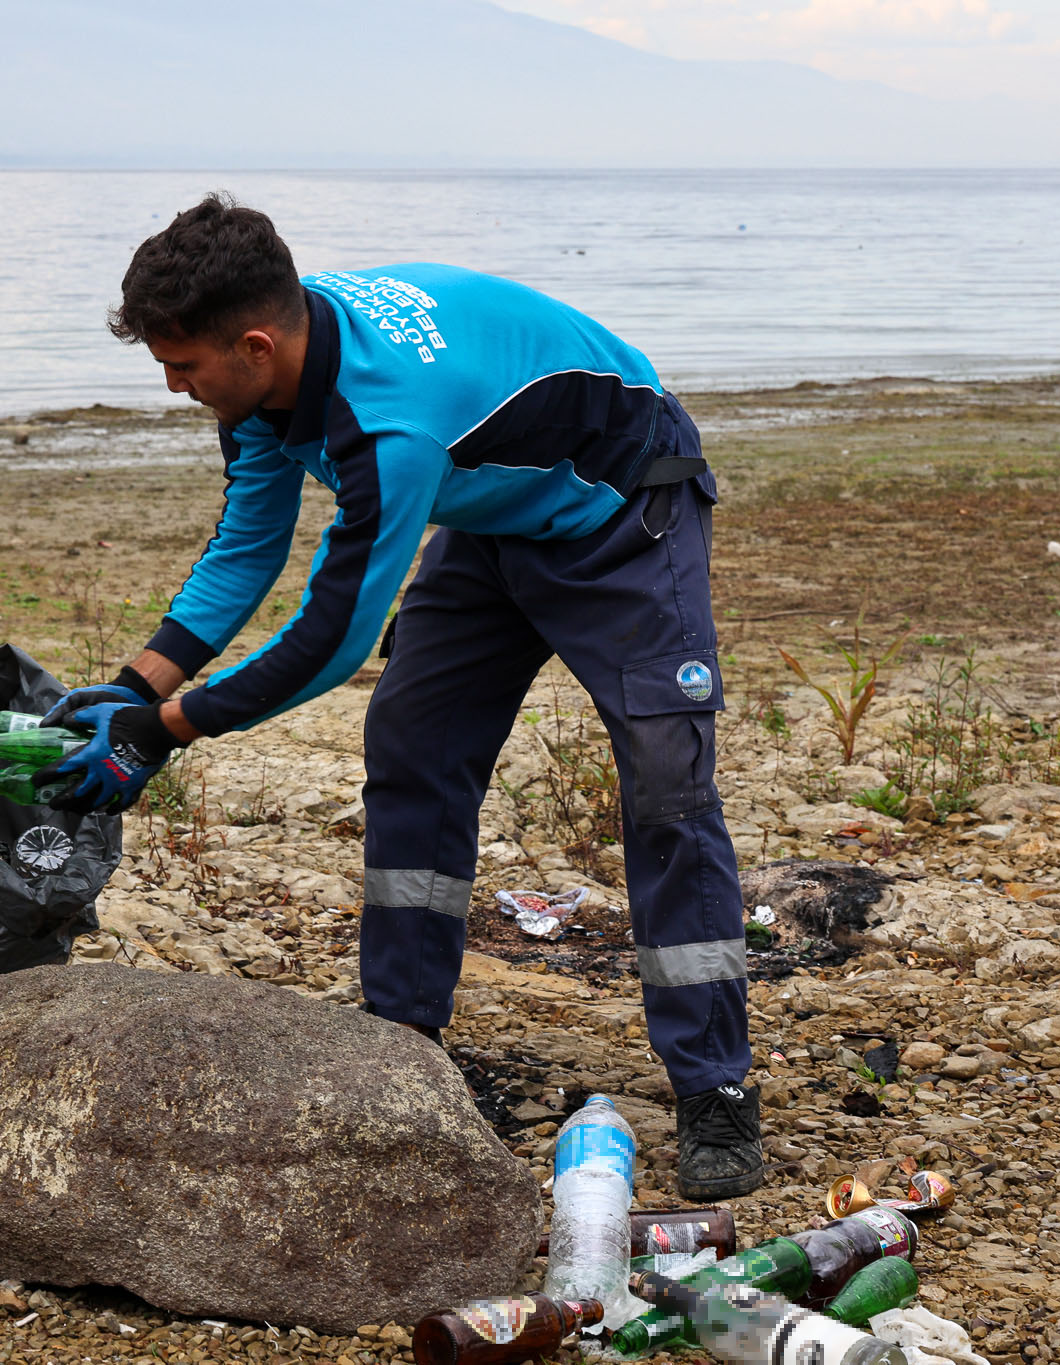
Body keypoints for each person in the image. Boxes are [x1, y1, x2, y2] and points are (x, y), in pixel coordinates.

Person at [37, 194, 760, 1200]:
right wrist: (129, 686)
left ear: (252, 343)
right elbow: (246, 550)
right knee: (414, 746)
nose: (171, 386)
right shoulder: (264, 384)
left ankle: (714, 1087)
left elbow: (329, 641)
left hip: (622, 514)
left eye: (183, 366)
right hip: (489, 514)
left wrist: (163, 732)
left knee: (665, 794)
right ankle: (401, 1041)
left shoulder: (388, 425)